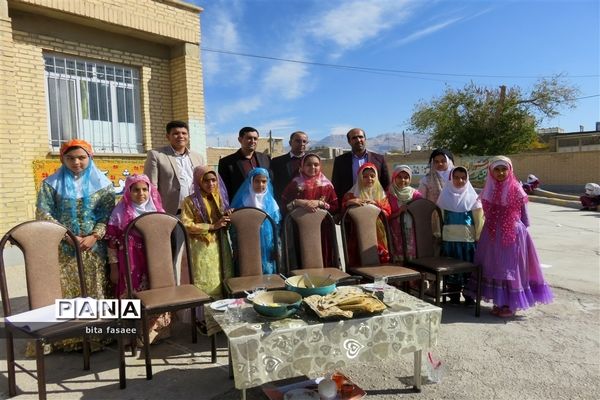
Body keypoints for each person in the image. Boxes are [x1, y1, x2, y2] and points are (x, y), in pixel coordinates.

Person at [35, 139, 115, 353]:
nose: (76, 162)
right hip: (64, 246)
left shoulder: (103, 184)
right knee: (69, 289)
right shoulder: (50, 184)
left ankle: (98, 336)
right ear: (62, 159)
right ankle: (70, 338)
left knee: (93, 287)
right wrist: (66, 235)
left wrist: (95, 236)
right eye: (70, 158)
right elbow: (44, 213)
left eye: (81, 157)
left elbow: (107, 214)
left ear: (90, 157)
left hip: (93, 248)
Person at [471, 156, 553, 317]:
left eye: (504, 169)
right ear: (491, 171)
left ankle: (510, 304)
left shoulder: (515, 187)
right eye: (497, 169)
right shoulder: (489, 188)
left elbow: (523, 215)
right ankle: (498, 301)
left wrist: (521, 232)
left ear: (510, 170)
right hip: (492, 233)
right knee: (494, 266)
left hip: (512, 234)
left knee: (511, 267)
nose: (501, 173)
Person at [105, 174, 171, 343]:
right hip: (130, 262)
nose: (141, 194)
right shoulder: (119, 213)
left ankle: (154, 332)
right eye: (135, 190)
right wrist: (113, 268)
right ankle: (131, 335)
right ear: (128, 191)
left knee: (155, 291)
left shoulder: (157, 210)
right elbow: (112, 243)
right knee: (131, 295)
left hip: (155, 260)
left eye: (144, 189)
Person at [180, 166, 233, 299]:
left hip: (221, 245)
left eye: (214, 180)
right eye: (206, 181)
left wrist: (228, 217)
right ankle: (202, 316)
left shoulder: (220, 199)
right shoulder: (190, 201)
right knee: (205, 279)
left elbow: (224, 224)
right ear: (199, 181)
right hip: (202, 248)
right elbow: (186, 225)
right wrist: (212, 226)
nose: (211, 184)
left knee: (223, 276)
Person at [436, 166, 483, 304]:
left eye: (463, 177)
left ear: (467, 179)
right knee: (451, 270)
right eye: (456, 177)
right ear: (451, 179)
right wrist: (438, 234)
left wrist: (478, 237)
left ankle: (469, 297)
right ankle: (453, 296)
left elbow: (479, 219)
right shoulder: (444, 197)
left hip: (467, 241)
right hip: (449, 240)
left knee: (468, 270)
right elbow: (439, 218)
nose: (459, 180)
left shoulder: (473, 198)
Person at [281, 153, 338, 267]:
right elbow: (283, 207)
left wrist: (320, 203)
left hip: (322, 230)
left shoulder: (327, 186)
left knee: (322, 257)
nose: (313, 167)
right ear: (302, 166)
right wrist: (297, 202)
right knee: (302, 257)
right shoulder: (294, 185)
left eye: (316, 165)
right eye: (309, 165)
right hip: (299, 230)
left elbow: (335, 207)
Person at [144, 120, 204, 216]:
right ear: (168, 136)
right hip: (171, 212)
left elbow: (203, 183)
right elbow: (151, 186)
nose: (181, 136)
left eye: (184, 133)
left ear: (188, 136)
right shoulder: (156, 155)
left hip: (197, 211)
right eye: (176, 133)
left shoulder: (198, 157)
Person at [230, 168, 281, 274]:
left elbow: (276, 225)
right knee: (248, 268)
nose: (260, 184)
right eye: (257, 181)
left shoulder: (272, 203)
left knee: (267, 269)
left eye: (264, 181)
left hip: (267, 244)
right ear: (251, 181)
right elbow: (235, 226)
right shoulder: (243, 201)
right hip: (247, 242)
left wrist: (275, 245)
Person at [341, 163, 391, 267]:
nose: (369, 179)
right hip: (357, 233)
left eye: (372, 176)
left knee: (379, 259)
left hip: (378, 234)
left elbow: (387, 213)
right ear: (359, 178)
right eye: (365, 176)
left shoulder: (380, 195)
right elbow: (343, 214)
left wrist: (376, 205)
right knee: (358, 258)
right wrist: (349, 203)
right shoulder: (351, 194)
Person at [332, 128, 390, 209]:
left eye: (360, 137)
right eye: (354, 138)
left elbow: (386, 185)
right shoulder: (340, 161)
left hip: (375, 206)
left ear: (365, 139)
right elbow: (336, 186)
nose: (358, 140)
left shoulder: (379, 159)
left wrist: (381, 204)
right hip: (351, 207)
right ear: (349, 142)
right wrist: (341, 207)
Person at [218, 126, 271, 202]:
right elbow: (223, 190)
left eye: (255, 139)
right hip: (239, 207)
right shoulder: (227, 162)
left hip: (264, 206)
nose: (253, 141)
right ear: (240, 140)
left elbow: (270, 183)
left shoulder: (265, 159)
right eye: (249, 138)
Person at [387, 165, 422, 261]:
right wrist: (399, 212)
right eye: (399, 177)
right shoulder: (388, 194)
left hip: (411, 232)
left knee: (412, 259)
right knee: (398, 259)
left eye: (406, 177)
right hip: (394, 232)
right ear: (394, 177)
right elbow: (385, 216)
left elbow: (421, 213)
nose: (403, 180)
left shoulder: (416, 194)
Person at [271, 131, 308, 204]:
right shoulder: (277, 161)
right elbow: (274, 184)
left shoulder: (312, 161)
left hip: (308, 204)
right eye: (298, 141)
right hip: (284, 203)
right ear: (290, 143)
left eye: (304, 141)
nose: (302, 144)